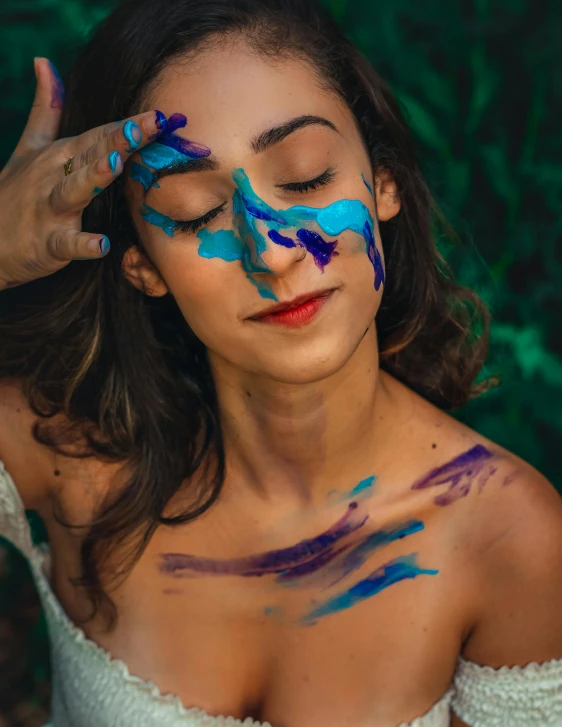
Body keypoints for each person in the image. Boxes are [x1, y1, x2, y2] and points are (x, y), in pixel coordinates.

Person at [0, 0, 561, 725]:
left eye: (303, 178)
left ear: (382, 181)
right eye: (197, 212)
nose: (271, 250)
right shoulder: (74, 458)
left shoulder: (511, 545)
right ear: (142, 265)